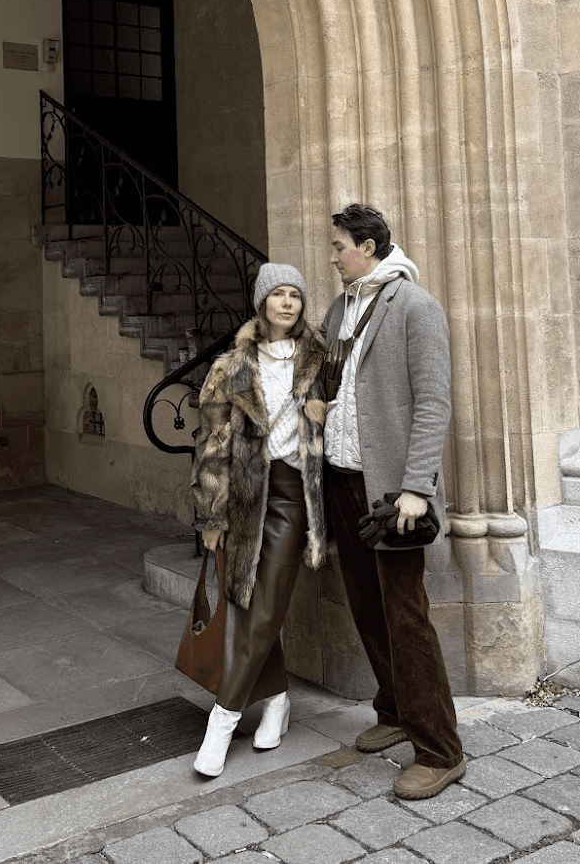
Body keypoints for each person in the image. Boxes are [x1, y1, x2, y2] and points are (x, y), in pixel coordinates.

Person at [322, 203, 465, 800]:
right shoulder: (339, 309)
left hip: (391, 489)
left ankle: (439, 749)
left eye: (339, 246)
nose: (332, 256)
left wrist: (416, 487)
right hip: (341, 478)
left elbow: (433, 403)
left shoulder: (415, 307)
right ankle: (393, 710)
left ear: (370, 246)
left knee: (406, 615)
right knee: (365, 605)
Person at [189, 263, 327, 777]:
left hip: (293, 497)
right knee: (243, 606)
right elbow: (212, 444)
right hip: (244, 499)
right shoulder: (230, 367)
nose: (288, 303)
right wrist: (209, 511)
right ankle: (277, 700)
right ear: (262, 303)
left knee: (265, 606)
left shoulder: (319, 359)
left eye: (295, 295)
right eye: (278, 295)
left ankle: (221, 723)